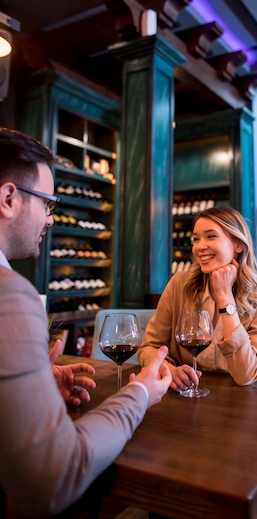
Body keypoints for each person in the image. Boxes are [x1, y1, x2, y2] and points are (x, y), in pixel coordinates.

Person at [0, 127, 172, 517]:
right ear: (9, 198)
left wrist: (31, 388)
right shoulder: (11, 294)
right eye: (47, 203)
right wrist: (141, 394)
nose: (50, 219)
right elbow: (54, 479)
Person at [139, 206, 257, 391]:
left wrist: (225, 298)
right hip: (185, 396)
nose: (200, 246)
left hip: (237, 400)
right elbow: (149, 348)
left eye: (211, 236)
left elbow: (246, 374)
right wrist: (168, 370)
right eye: (196, 239)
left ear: (238, 244)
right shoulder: (179, 284)